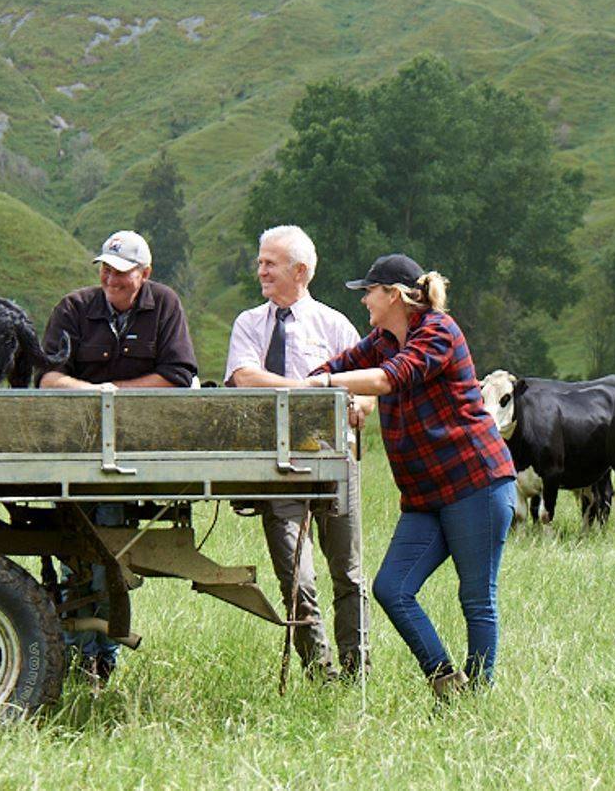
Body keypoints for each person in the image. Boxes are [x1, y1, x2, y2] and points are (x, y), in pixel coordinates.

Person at [286, 253, 516, 698]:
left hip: (475, 483)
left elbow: (395, 378)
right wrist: (321, 387)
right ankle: (444, 678)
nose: (364, 301)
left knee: (476, 598)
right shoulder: (381, 340)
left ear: (394, 295)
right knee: (392, 588)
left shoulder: (438, 331)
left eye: (368, 292)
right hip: (425, 494)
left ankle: (478, 698)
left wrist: (333, 387)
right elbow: (336, 368)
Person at [40, 229, 198, 681]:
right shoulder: (73, 308)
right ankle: (71, 652)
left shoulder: (164, 304)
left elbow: (179, 374)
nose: (111, 278)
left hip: (135, 453)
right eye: (105, 269)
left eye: (122, 272)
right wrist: (94, 396)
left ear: (144, 275)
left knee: (110, 551)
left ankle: (100, 658)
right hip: (75, 453)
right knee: (72, 552)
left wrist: (116, 394)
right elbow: (48, 377)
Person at [224, 226, 372, 680]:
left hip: (335, 466)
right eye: (261, 262)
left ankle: (356, 671)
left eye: (270, 263)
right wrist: (317, 392)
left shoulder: (335, 326)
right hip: (277, 466)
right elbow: (245, 377)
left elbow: (367, 395)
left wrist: (356, 404)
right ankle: (319, 670)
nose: (261, 270)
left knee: (348, 575)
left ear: (300, 271)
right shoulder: (249, 324)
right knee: (296, 579)